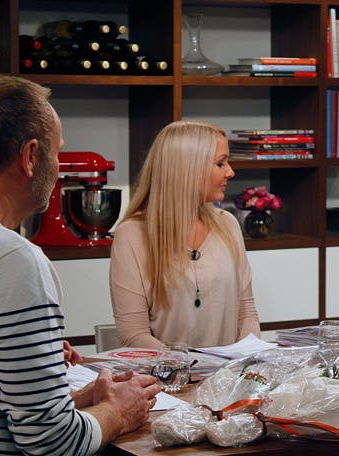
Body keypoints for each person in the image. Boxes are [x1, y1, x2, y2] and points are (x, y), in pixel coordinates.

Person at [0, 76, 161, 456]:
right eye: (57, 152)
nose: (59, 166)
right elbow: (51, 442)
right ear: (31, 157)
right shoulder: (11, 259)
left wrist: (74, 400)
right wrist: (119, 411)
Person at [110, 120, 260, 349]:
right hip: (167, 371)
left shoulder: (228, 224)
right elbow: (133, 335)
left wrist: (244, 354)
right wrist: (186, 365)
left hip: (228, 371)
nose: (230, 172)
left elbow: (247, 313)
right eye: (220, 164)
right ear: (188, 168)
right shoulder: (131, 235)